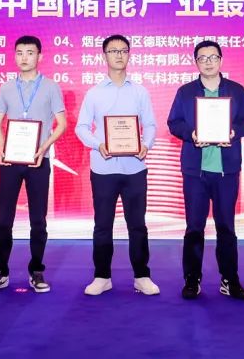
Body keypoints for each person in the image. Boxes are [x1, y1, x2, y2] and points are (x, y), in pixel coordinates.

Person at [167, 40, 244, 300]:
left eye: (213, 57)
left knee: (226, 227)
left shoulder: (236, 90)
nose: (208, 62)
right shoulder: (185, 92)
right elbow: (174, 123)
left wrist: (234, 132)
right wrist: (192, 134)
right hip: (196, 171)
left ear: (221, 60)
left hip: (226, 171)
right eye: (202, 58)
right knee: (194, 227)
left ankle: (229, 279)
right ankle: (192, 279)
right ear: (196, 62)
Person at [74, 34, 159, 296]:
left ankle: (142, 276)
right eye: (113, 51)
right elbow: (81, 127)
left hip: (135, 167)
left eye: (123, 50)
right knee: (102, 225)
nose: (119, 55)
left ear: (129, 54)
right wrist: (97, 144)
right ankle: (102, 276)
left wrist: (146, 144)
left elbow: (150, 124)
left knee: (138, 225)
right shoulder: (94, 93)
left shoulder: (140, 91)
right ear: (105, 56)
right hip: (104, 168)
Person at [0, 36, 67, 294]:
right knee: (4, 220)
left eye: (30, 52)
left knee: (38, 220)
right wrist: (2, 148)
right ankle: (0, 271)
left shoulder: (51, 87)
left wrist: (44, 148)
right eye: (19, 52)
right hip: (11, 161)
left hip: (39, 160)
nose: (24, 57)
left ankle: (36, 270)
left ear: (40, 56)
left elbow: (61, 124)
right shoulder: (6, 87)